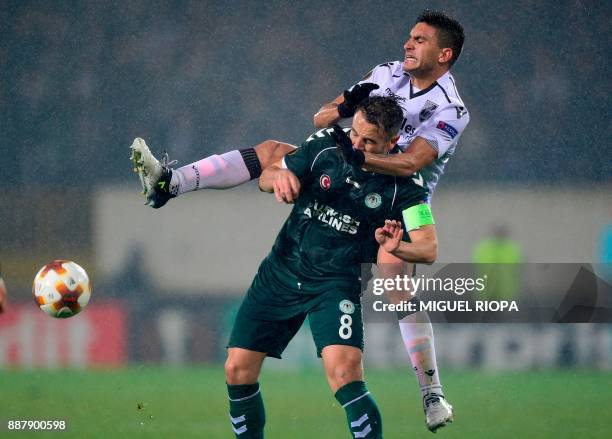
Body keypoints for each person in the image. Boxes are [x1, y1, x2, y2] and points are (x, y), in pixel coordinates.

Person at [131, 9, 466, 432]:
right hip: (346, 174)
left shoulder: (450, 108)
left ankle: (431, 392)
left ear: (444, 53)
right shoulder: (387, 73)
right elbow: (324, 119)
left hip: (391, 195)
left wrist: (356, 154)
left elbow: (412, 161)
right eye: (410, 37)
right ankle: (171, 184)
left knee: (394, 270)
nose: (408, 44)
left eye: (420, 40)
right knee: (273, 152)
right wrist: (342, 107)